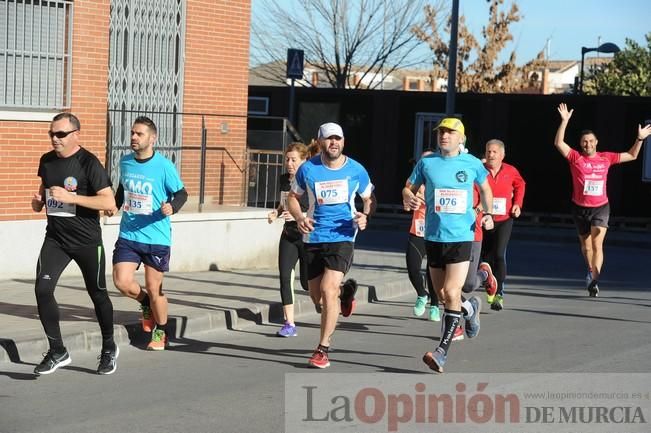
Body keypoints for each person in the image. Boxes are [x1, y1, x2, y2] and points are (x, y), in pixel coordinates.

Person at [402, 117, 493, 373]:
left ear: (461, 138)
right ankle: (471, 306)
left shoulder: (472, 163)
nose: (444, 135)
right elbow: (408, 188)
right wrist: (408, 197)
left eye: (450, 132)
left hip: (462, 236)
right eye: (441, 131)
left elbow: (486, 190)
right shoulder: (427, 163)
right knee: (443, 295)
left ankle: (441, 352)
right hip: (433, 236)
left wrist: (487, 213)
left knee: (452, 292)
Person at [31, 112, 118, 375]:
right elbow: (46, 194)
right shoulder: (46, 161)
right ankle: (58, 351)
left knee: (98, 293)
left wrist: (74, 198)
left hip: (87, 241)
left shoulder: (88, 163)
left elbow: (108, 203)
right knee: (42, 290)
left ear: (75, 134)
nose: (54, 139)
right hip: (56, 239)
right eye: (51, 134)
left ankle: (109, 348)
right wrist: (39, 202)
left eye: (60, 134)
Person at [287, 122, 375, 369]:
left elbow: (369, 198)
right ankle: (344, 295)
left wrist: (366, 215)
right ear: (320, 141)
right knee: (318, 298)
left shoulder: (356, 170)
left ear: (343, 142)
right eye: (328, 139)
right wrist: (300, 217)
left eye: (337, 138)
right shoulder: (308, 169)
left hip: (343, 235)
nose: (333, 143)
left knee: (327, 289)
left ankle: (322, 348)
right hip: (314, 237)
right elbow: (292, 198)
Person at [108, 116, 187, 350]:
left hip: (156, 237)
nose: (133, 137)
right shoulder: (125, 162)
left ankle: (160, 332)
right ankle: (144, 303)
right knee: (122, 282)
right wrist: (114, 205)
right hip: (129, 235)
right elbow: (123, 188)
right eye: (132, 132)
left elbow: (181, 193)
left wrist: (172, 207)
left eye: (139, 134)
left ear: (152, 138)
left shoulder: (164, 166)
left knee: (155, 288)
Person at [555, 103, 650, 296]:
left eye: (591, 141)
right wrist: (564, 122)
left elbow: (632, 155)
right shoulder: (575, 158)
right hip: (579, 208)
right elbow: (558, 143)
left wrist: (639, 139)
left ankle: (594, 280)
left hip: (600, 207)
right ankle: (590, 271)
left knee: (597, 243)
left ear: (596, 142)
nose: (587, 144)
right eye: (584, 142)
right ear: (581, 144)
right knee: (586, 246)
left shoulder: (606, 158)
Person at [267, 142, 310, 337]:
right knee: (285, 278)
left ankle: (341, 293)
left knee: (309, 285)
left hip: (309, 236)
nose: (289, 163)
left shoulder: (311, 179)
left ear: (304, 161)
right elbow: (284, 203)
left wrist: (299, 215)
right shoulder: (285, 179)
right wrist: (276, 213)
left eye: (294, 160)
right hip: (289, 235)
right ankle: (289, 323)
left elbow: (317, 208)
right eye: (287, 159)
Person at [479, 139, 525, 311]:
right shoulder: (480, 170)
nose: (490, 155)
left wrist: (517, 204)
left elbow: (521, 185)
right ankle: (490, 287)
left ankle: (499, 294)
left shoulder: (511, 171)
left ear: (502, 155)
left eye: (494, 152)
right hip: (484, 219)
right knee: (486, 257)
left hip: (504, 219)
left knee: (499, 254)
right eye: (488, 151)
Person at [405, 150, 441, 322]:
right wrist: (411, 200)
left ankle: (435, 305)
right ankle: (421, 294)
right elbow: (406, 203)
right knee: (412, 267)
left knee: (432, 272)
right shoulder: (414, 181)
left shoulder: (441, 180)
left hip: (435, 231)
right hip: (417, 230)